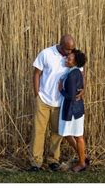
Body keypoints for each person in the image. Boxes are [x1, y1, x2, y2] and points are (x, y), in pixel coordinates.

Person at [29, 34, 84, 172]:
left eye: (72, 49)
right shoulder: (46, 53)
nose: (70, 53)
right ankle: (35, 163)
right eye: (67, 50)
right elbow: (36, 73)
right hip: (44, 99)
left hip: (61, 102)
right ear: (61, 45)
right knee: (38, 131)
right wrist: (37, 95)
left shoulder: (73, 56)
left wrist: (83, 89)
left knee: (57, 132)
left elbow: (81, 73)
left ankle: (53, 160)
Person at [58, 49, 89, 172]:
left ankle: (82, 163)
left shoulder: (71, 75)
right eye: (67, 58)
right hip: (77, 108)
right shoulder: (74, 71)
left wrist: (61, 90)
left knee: (77, 136)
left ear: (75, 62)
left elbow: (71, 96)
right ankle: (83, 157)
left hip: (72, 109)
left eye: (69, 59)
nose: (66, 60)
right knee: (71, 134)